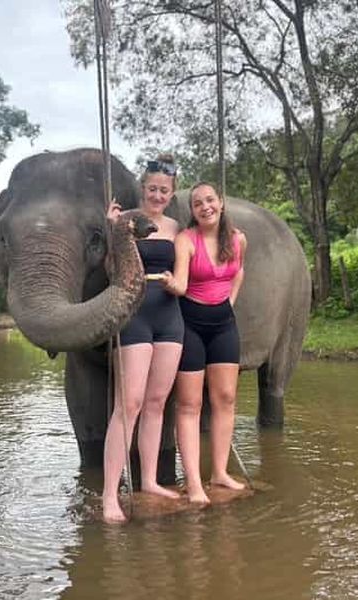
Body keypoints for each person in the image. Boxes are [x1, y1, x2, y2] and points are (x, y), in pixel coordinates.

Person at [102, 155, 184, 523]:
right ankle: (109, 495)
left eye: (163, 190)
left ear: (172, 192)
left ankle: (149, 480)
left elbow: (186, 273)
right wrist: (112, 230)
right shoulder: (126, 221)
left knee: (156, 402)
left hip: (170, 315)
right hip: (134, 312)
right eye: (152, 188)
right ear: (142, 188)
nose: (157, 195)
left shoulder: (177, 228)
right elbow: (112, 270)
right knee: (129, 403)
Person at [162, 181, 247, 504]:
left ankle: (220, 473)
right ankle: (195, 483)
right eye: (198, 203)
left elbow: (239, 272)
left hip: (224, 323)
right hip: (190, 325)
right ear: (193, 211)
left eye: (210, 200)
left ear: (221, 203)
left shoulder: (238, 240)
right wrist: (170, 284)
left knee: (225, 398)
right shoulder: (186, 240)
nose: (205, 206)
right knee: (190, 405)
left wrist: (229, 303)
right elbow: (182, 283)